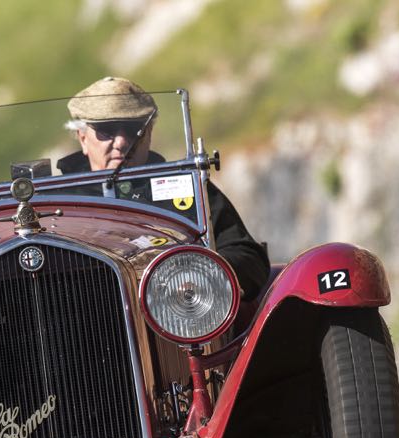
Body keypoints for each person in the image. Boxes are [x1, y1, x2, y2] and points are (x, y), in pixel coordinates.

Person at [56, 77, 270, 300]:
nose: (121, 142)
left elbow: (247, 257)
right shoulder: (55, 201)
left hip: (175, 310)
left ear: (149, 134)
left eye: (133, 129)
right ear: (82, 138)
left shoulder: (186, 189)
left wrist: (195, 272)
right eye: (106, 130)